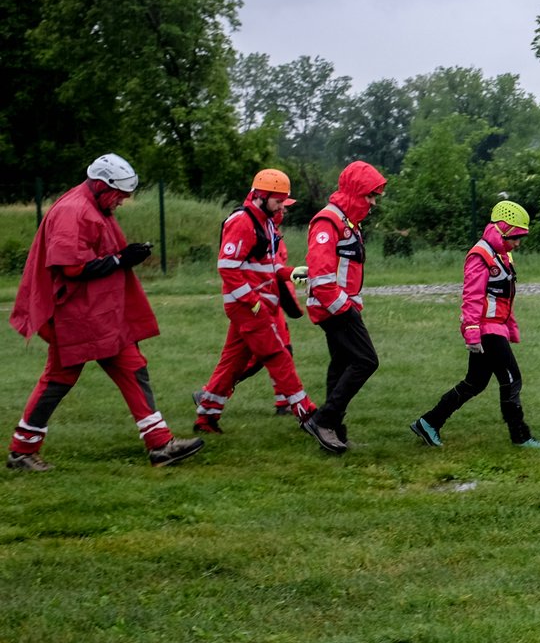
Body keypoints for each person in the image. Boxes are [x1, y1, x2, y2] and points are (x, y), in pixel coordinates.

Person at [7, 154, 204, 470]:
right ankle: (21, 451)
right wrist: (120, 260)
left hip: (98, 314)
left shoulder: (92, 204)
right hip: (78, 316)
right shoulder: (73, 211)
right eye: (120, 195)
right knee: (59, 379)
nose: (123, 202)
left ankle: (160, 445)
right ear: (100, 186)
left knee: (132, 368)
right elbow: (71, 268)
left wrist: (124, 257)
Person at [409, 200, 540, 449]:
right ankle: (520, 435)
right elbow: (472, 296)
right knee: (512, 379)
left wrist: (511, 327)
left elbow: (505, 297)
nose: (518, 242)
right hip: (485, 331)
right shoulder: (480, 255)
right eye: (515, 236)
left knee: (475, 383)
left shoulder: (503, 254)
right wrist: (472, 332)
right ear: (503, 229)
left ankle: (428, 423)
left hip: (495, 329)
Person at [192, 169, 316, 434]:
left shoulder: (265, 222)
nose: (283, 206)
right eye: (279, 201)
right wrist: (252, 301)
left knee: (233, 363)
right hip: (248, 306)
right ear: (261, 195)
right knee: (278, 355)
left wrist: (290, 273)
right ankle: (307, 413)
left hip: (255, 304)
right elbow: (227, 268)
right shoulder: (242, 221)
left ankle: (206, 416)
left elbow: (268, 267)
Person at [297, 160, 387, 454]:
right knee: (366, 361)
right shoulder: (328, 222)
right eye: (369, 196)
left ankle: (334, 431)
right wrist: (346, 309)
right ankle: (323, 420)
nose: (372, 203)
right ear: (355, 192)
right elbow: (322, 278)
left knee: (341, 365)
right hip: (334, 308)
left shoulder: (348, 223)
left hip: (340, 306)